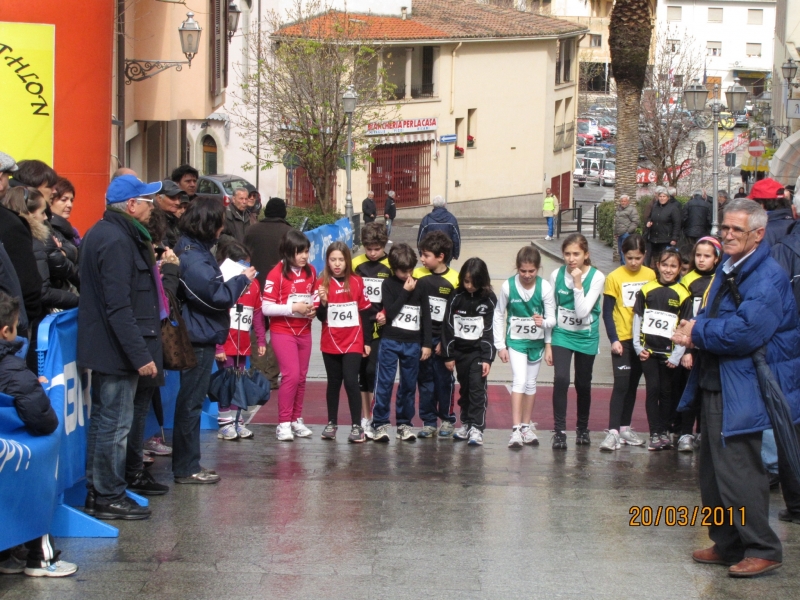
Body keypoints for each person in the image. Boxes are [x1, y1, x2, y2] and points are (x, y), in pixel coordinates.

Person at [674, 198, 800, 577]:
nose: (726, 235)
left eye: (735, 230)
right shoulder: (732, 267)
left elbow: (747, 333)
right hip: (719, 378)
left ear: (758, 234)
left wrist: (697, 333)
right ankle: (727, 543)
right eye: (724, 228)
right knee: (711, 472)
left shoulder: (767, 276)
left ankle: (763, 547)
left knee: (740, 470)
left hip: (743, 384)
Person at [78, 175, 163, 519]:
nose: (151, 206)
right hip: (115, 350)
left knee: (106, 422)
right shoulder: (114, 239)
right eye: (147, 201)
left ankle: (102, 491)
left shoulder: (110, 233)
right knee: (114, 424)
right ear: (131, 205)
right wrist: (139, 355)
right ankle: (106, 494)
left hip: (111, 347)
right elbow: (118, 306)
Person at [173, 198, 255, 483]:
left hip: (200, 331)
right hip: (197, 334)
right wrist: (241, 280)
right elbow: (215, 296)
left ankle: (188, 463)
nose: (223, 227)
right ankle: (186, 467)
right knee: (191, 403)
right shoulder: (192, 256)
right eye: (219, 222)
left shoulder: (194, 251)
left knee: (192, 401)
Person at [0, 292, 78, 577]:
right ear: (6, 331)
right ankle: (41, 558)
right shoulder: (14, 373)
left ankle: (6, 553)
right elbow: (44, 421)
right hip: (12, 461)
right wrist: (33, 387)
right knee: (34, 482)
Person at [544, 234, 605, 449]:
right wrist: (548, 343)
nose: (571, 259)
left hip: (585, 336)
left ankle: (582, 428)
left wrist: (578, 283)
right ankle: (559, 430)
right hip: (562, 334)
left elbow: (581, 312)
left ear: (586, 255)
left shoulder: (597, 277)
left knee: (583, 383)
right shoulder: (556, 275)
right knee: (561, 379)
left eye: (576, 254)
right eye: (567, 254)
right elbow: (550, 310)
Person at [493, 246, 556, 448]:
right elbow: (498, 314)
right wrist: (500, 345)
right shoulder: (508, 287)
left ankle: (526, 427)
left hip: (536, 343)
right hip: (517, 342)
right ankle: (515, 429)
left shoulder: (545, 287)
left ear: (538, 269)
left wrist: (546, 334)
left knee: (531, 383)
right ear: (517, 269)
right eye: (523, 271)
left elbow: (553, 319)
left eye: (531, 271)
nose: (527, 275)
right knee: (519, 381)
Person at [370, 243, 432, 442]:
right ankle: (379, 423)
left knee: (408, 385)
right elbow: (391, 312)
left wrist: (427, 343)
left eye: (410, 270)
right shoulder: (388, 285)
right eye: (403, 271)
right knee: (385, 383)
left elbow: (426, 317)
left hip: (412, 343)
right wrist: (405, 292)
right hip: (390, 341)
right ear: (393, 268)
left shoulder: (420, 285)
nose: (408, 275)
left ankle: (404, 423)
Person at [600, 234, 656, 452]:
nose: (633, 263)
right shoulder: (614, 277)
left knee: (633, 385)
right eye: (630, 258)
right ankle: (612, 431)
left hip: (642, 339)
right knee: (621, 385)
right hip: (622, 338)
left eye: (638, 258)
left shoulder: (651, 275)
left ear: (645, 256)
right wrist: (613, 339)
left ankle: (624, 428)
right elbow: (607, 312)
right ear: (623, 255)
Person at [632, 247, 691, 451]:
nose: (668, 270)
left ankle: (664, 430)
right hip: (648, 351)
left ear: (679, 269)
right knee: (653, 390)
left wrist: (676, 356)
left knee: (667, 392)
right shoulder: (646, 290)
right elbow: (637, 318)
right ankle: (654, 433)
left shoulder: (683, 294)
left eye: (673, 266)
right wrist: (638, 347)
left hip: (669, 355)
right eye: (664, 265)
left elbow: (685, 327)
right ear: (657, 265)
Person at [261, 229, 317, 441]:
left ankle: (296, 419)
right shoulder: (276, 273)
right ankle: (283, 423)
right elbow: (266, 307)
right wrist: (292, 307)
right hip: (283, 331)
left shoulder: (311, 270)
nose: (304, 256)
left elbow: (314, 296)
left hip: (305, 330)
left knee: (301, 377)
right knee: (291, 375)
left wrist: (313, 308)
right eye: (299, 252)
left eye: (306, 252)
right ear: (287, 252)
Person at [314, 242, 372, 443]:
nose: (337, 264)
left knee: (350, 380)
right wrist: (322, 303)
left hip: (353, 340)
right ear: (327, 261)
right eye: (333, 260)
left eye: (341, 260)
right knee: (334, 382)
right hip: (330, 341)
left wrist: (367, 340)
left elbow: (364, 312)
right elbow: (321, 317)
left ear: (347, 261)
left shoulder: (356, 282)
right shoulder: (321, 283)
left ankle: (357, 425)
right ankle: (331, 422)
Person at [213, 240, 266, 441]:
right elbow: (217, 315)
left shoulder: (254, 284)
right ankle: (224, 421)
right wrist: (218, 346)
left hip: (243, 344)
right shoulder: (222, 284)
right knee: (226, 382)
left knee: (239, 382)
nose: (249, 270)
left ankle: (237, 420)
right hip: (225, 344)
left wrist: (261, 340)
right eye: (244, 265)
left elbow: (258, 314)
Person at [441, 258, 497, 446]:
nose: (470, 286)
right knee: (464, 388)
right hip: (459, 352)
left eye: (474, 282)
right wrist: (449, 355)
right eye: (466, 281)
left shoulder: (489, 300)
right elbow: (448, 326)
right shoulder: (456, 297)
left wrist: (487, 358)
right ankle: (465, 423)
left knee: (477, 388)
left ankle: (477, 427)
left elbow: (490, 330)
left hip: (478, 353)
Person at [676, 236, 722, 452]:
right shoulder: (688, 280)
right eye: (698, 255)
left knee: (708, 391)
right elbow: (683, 315)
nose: (702, 260)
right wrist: (686, 350)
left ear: (716, 258)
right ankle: (685, 432)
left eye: (707, 256)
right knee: (689, 390)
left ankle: (704, 433)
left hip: (711, 342)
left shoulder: (721, 279)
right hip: (691, 344)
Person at [244, 197, 293, 390]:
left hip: (254, 285)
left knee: (257, 331)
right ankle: (272, 376)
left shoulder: (251, 230)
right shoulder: (289, 232)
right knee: (278, 330)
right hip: (280, 288)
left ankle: (257, 374)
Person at [414, 231, 459, 438]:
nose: (422, 259)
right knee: (425, 381)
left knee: (444, 381)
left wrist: (445, 341)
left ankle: (448, 420)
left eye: (426, 255)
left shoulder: (455, 280)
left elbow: (454, 316)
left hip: (443, 341)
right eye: (421, 255)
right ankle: (429, 421)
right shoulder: (417, 275)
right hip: (422, 340)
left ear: (440, 256)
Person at [351, 222, 391, 438]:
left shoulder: (391, 265)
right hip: (358, 326)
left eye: (377, 249)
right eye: (369, 249)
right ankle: (366, 417)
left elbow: (398, 293)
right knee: (363, 372)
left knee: (375, 371)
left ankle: (378, 414)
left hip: (382, 327)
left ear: (384, 245)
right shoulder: (356, 263)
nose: (373, 253)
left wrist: (387, 312)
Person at [0, 151, 42, 336]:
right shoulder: (9, 224)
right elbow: (28, 285)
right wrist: (23, 323)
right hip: (8, 329)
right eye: (7, 177)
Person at [417, 195, 462, 261]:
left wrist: (422, 254)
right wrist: (456, 254)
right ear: (444, 204)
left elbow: (421, 238)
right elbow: (456, 239)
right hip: (446, 254)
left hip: (431, 254)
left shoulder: (426, 219)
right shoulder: (452, 219)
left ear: (433, 205)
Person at [645, 187, 681, 266]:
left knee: (664, 259)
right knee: (655, 259)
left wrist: (674, 238)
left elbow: (677, 224)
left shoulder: (673, 208)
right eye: (660, 196)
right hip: (654, 238)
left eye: (664, 196)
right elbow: (650, 217)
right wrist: (649, 222)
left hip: (666, 239)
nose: (662, 198)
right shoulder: (655, 206)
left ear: (668, 198)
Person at [50, 177, 82, 249]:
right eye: (64, 200)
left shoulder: (71, 232)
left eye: (71, 200)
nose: (70, 205)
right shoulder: (48, 232)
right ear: (50, 200)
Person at [154, 179, 186, 248]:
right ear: (159, 198)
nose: (178, 202)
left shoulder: (173, 219)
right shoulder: (153, 221)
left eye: (179, 198)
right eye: (172, 198)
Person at [613, 195, 639, 266]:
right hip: (620, 234)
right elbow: (617, 222)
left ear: (628, 202)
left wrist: (628, 231)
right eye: (622, 201)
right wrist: (615, 232)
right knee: (620, 251)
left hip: (626, 234)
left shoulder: (632, 210)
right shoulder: (619, 209)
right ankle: (622, 266)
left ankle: (626, 266)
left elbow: (635, 221)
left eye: (625, 201)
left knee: (625, 251)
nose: (623, 202)